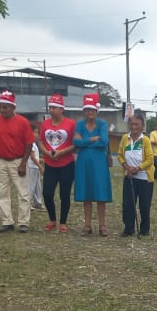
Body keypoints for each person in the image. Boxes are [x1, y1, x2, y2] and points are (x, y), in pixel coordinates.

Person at [0, 90, 35, 233]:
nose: (2, 110)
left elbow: (29, 143)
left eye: (5, 107)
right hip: (1, 161)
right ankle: (7, 221)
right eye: (1, 107)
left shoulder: (23, 122)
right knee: (1, 192)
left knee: (23, 192)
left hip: (17, 160)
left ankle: (24, 222)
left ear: (13, 107)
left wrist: (23, 163)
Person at [74, 93, 112, 236]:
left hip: (99, 162)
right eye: (87, 110)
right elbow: (76, 142)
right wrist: (90, 140)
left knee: (100, 193)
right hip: (83, 162)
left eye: (92, 110)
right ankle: (87, 225)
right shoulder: (79, 124)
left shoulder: (102, 124)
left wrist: (84, 142)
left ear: (96, 111)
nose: (89, 112)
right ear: (84, 111)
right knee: (86, 194)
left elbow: (104, 141)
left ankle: (103, 225)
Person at [39, 94, 77, 232]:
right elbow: (41, 141)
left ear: (61, 109)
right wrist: (46, 152)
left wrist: (61, 152)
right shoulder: (45, 124)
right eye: (50, 107)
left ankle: (63, 222)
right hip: (50, 164)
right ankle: (52, 219)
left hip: (67, 164)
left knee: (64, 194)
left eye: (54, 107)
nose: (51, 110)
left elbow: (75, 144)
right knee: (47, 193)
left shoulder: (71, 124)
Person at [118, 113, 155, 237]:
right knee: (128, 204)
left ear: (142, 126)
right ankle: (128, 228)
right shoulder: (125, 138)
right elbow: (120, 155)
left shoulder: (145, 140)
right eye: (132, 124)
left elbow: (150, 159)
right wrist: (127, 167)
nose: (134, 127)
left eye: (137, 124)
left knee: (144, 205)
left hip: (144, 178)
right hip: (129, 176)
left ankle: (144, 229)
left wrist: (138, 168)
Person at [27, 120, 44, 211]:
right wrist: (40, 166)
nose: (37, 135)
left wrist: (43, 160)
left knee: (37, 186)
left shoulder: (34, 144)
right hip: (32, 167)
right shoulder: (30, 144)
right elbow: (32, 157)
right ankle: (27, 203)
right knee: (31, 185)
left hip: (35, 167)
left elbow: (36, 157)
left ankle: (38, 203)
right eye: (36, 132)